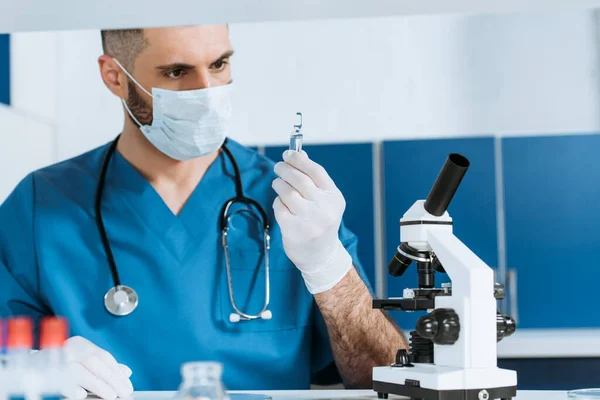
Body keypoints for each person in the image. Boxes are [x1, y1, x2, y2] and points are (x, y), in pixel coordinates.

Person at [0, 25, 407, 399]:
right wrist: (31, 371)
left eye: (219, 64)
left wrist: (330, 268)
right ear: (115, 76)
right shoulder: (43, 204)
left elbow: (389, 377)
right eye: (177, 72)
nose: (208, 91)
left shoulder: (291, 200)